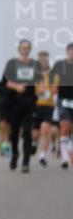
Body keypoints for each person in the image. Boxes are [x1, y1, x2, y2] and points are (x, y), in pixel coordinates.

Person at [2, 39, 41, 173]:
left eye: (27, 48)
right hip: (15, 102)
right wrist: (17, 86)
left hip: (29, 102)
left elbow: (39, 81)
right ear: (19, 49)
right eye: (23, 48)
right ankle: (15, 154)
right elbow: (6, 82)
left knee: (27, 132)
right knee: (14, 132)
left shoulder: (35, 64)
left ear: (30, 50)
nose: (25, 50)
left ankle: (26, 162)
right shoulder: (12, 63)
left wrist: (40, 88)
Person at [51, 42, 73, 170]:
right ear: (67, 52)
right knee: (64, 126)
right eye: (71, 51)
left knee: (70, 128)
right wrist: (53, 86)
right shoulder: (60, 64)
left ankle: (68, 149)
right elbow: (52, 76)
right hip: (63, 99)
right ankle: (64, 158)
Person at [32, 51, 56, 167]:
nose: (43, 62)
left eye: (45, 60)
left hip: (48, 105)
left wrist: (52, 90)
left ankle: (42, 155)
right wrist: (37, 91)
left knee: (45, 129)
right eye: (40, 60)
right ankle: (34, 143)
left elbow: (56, 88)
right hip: (35, 105)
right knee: (35, 133)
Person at [0, 70, 12, 159]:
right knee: (2, 126)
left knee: (10, 128)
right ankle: (4, 148)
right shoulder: (1, 83)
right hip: (3, 106)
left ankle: (8, 146)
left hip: (13, 107)